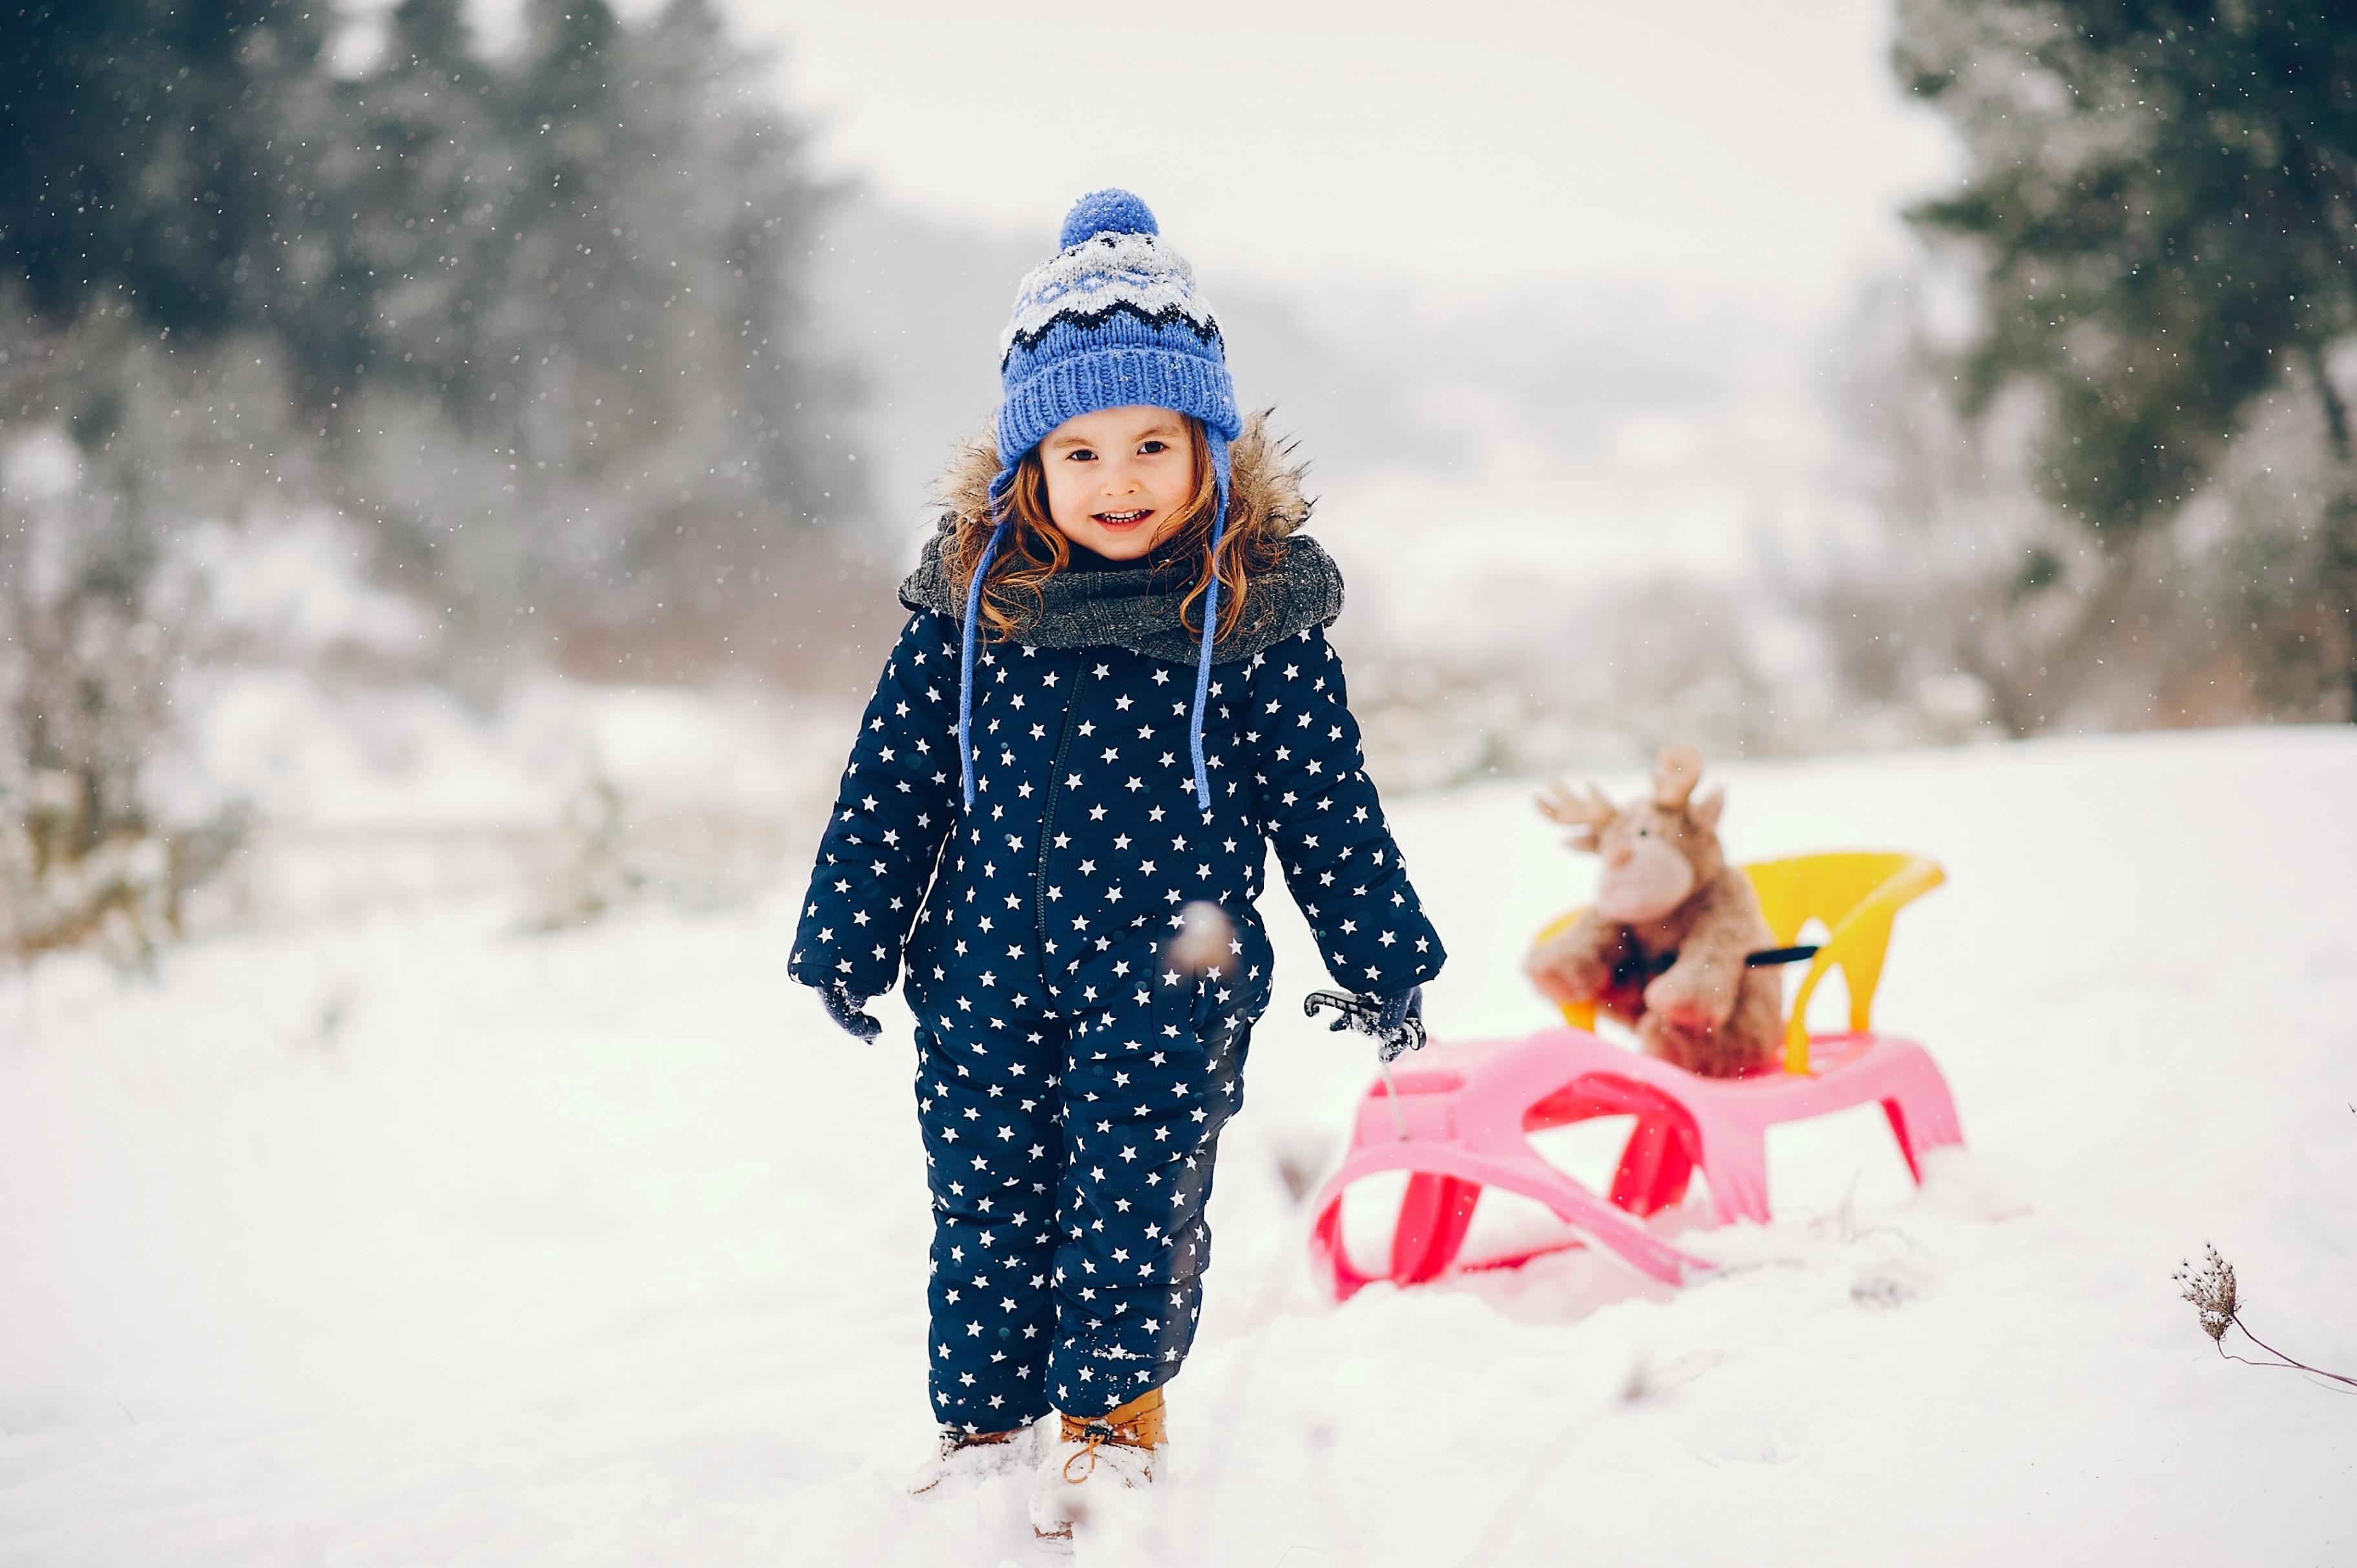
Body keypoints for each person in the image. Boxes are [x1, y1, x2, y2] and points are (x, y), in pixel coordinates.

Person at [788, 188, 1446, 1544]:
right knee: (986, 1196)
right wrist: (849, 935)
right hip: (980, 968)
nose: (1121, 479)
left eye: (1155, 442)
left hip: (1173, 967)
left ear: (1210, 447)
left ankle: (1111, 1422)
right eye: (1081, 452)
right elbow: (896, 782)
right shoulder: (970, 605)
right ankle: (980, 1426)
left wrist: (1384, 958)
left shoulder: (1250, 615)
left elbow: (1326, 802)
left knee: (1135, 1196)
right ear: (1029, 464)